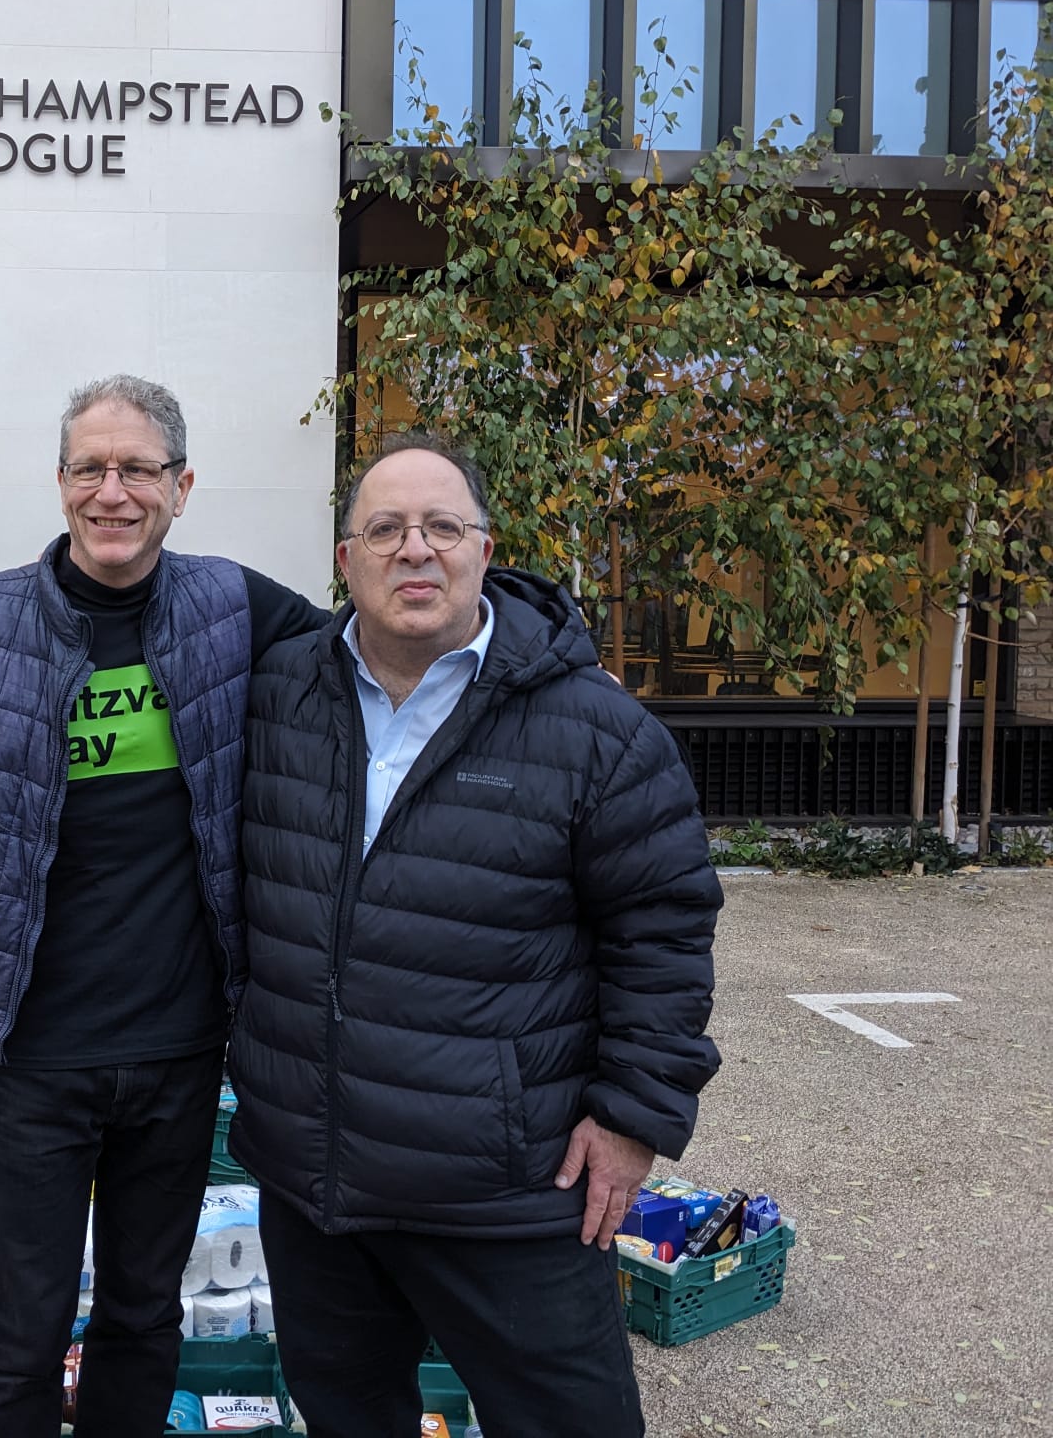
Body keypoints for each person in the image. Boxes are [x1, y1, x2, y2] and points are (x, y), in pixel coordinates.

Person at [0, 374, 330, 1437]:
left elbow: (370, 660)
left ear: (182, 486)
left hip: (178, 1042)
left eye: (137, 470)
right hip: (36, 1044)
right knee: (19, 1332)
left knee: (140, 1314)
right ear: (61, 482)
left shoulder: (235, 609)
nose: (111, 492)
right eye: (89, 468)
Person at [229, 436, 722, 1437]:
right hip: (319, 1187)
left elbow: (664, 930)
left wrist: (633, 1115)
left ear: (485, 550)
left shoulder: (594, 730)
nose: (417, 551)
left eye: (442, 528)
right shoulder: (276, 699)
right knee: (348, 1418)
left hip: (508, 1187)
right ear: (345, 559)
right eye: (386, 530)